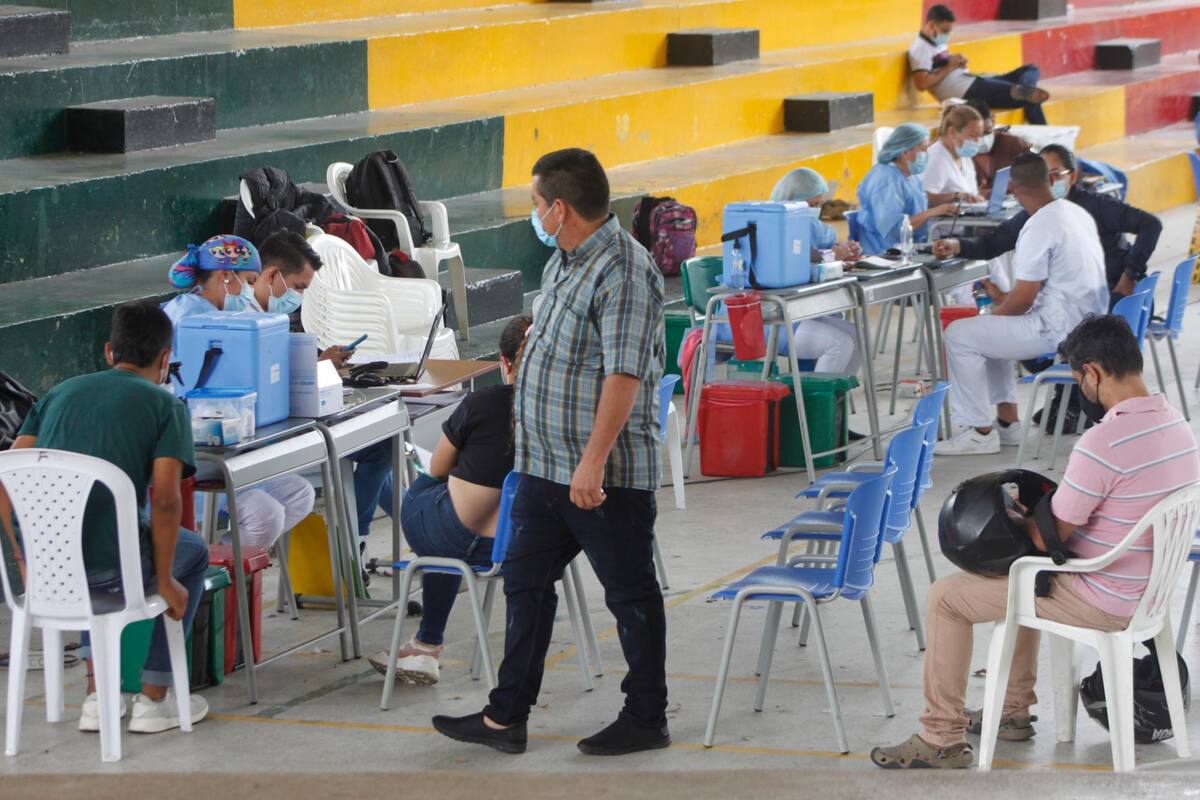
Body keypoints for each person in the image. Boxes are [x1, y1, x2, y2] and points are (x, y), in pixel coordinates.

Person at [871, 314, 1200, 768]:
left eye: (1078, 379)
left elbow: (1050, 538)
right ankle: (1010, 712)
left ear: (1093, 373)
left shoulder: (1105, 441)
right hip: (1148, 592)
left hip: (1102, 596)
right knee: (1026, 577)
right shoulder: (1176, 425)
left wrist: (1016, 518)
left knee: (950, 596)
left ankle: (939, 736)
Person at [431, 148, 668, 756]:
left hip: (598, 473)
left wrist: (592, 463)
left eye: (537, 204)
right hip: (541, 465)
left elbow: (623, 376)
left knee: (629, 593)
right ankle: (505, 716)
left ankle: (647, 716)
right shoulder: (565, 261)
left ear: (559, 208)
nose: (534, 214)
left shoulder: (625, 270)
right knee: (525, 582)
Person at [7, 301, 210, 733]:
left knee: (90, 538)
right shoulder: (164, 405)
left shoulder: (58, 394)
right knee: (192, 553)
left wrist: (25, 559)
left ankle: (99, 696)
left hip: (51, 569)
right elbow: (169, 501)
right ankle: (155, 698)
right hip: (115, 570)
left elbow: (7, 474)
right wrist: (163, 581)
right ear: (164, 358)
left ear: (108, 351)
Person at [365, 315, 533, 685]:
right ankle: (424, 644)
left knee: (426, 492)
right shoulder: (562, 411)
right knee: (448, 518)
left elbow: (439, 467)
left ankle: (425, 644)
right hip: (528, 546)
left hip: (466, 539)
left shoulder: (481, 405)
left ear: (503, 363)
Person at [935, 153, 1107, 456]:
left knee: (960, 335)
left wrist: (999, 313)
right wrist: (1002, 303)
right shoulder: (1074, 212)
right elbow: (1042, 289)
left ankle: (978, 431)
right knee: (989, 331)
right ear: (1052, 180)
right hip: (1086, 321)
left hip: (1059, 329)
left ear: (1012, 188)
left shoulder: (1038, 226)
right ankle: (1008, 422)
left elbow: (1025, 297)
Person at [161, 234, 317, 551]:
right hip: (194, 454)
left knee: (299, 494)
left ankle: (231, 569)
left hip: (228, 443)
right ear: (224, 276)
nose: (248, 289)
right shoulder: (191, 319)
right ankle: (220, 586)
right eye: (247, 280)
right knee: (266, 514)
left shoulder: (216, 315)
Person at [770, 167, 863, 374]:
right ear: (792, 199)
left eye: (820, 205)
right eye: (812, 205)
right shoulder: (771, 229)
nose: (816, 210)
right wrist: (830, 258)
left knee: (859, 336)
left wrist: (846, 250)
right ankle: (816, 402)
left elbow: (827, 243)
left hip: (803, 310)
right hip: (772, 316)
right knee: (839, 344)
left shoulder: (808, 223)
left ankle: (837, 402)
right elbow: (793, 271)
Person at [909, 5, 1049, 125]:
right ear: (932, 25)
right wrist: (949, 67)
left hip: (972, 80)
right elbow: (922, 84)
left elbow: (940, 65)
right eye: (945, 31)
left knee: (1031, 69)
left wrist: (956, 62)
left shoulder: (936, 42)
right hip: (966, 91)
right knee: (1029, 98)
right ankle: (1042, 129)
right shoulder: (920, 49)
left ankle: (1024, 89)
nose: (947, 34)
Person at [857, 123, 957, 255]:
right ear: (905, 152)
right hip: (884, 253)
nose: (927, 154)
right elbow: (894, 231)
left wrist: (953, 198)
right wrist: (931, 213)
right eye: (923, 149)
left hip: (909, 246)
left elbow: (917, 206)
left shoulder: (909, 176)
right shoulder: (886, 180)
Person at [921, 104, 986, 205]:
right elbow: (924, 199)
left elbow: (970, 193)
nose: (977, 141)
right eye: (973, 135)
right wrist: (956, 196)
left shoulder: (964, 156)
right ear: (952, 132)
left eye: (979, 136)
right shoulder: (937, 159)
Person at [962, 99, 1031, 193]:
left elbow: (1033, 181)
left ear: (993, 120)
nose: (981, 140)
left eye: (988, 131)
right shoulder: (959, 152)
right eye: (974, 135)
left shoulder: (1014, 145)